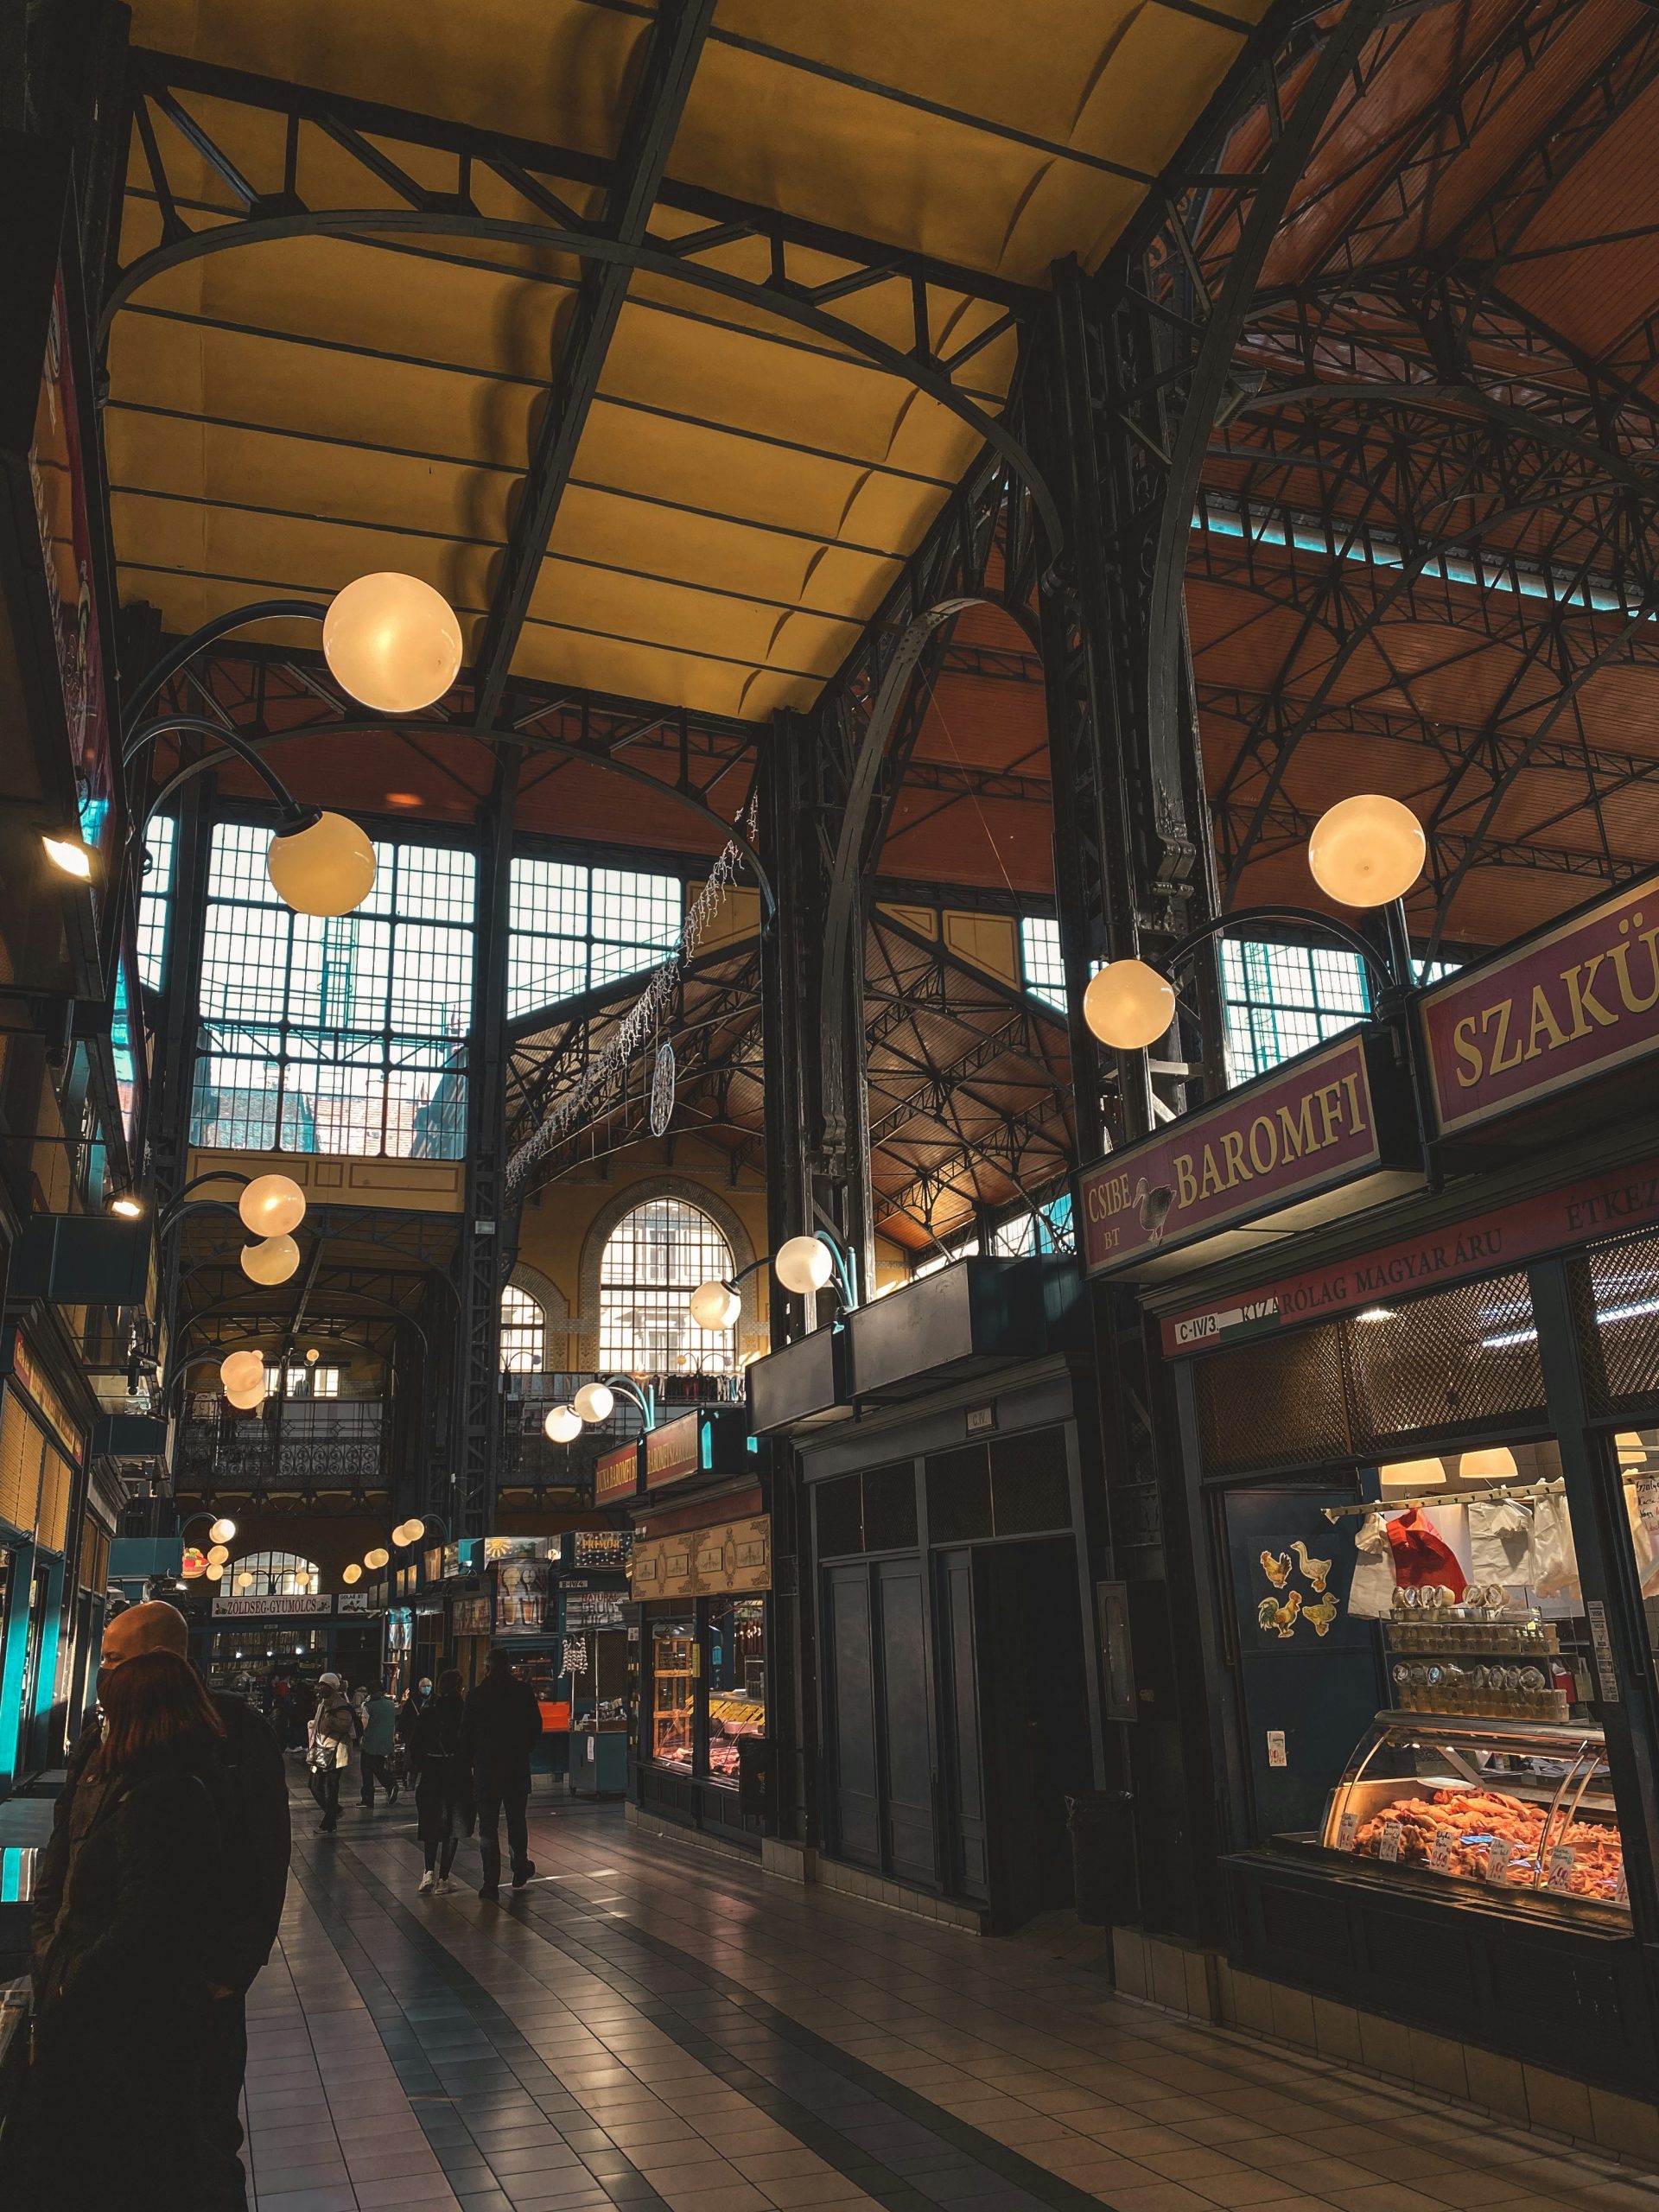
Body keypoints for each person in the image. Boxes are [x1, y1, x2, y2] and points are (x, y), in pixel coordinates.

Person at [27, 1599, 289, 2212]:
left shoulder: (229, 1733)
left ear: (157, 1661)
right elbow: (67, 1841)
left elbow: (264, 1854)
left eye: (114, 1659)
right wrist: (50, 1941)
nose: (103, 1673)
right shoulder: (101, 1736)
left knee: (203, 2140)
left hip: (188, 1986)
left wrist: (231, 1969)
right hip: (103, 1990)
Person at [461, 1647, 543, 1900]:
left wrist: (473, 1760)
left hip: (487, 1770)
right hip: (516, 1768)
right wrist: (523, 1750)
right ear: (508, 1666)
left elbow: (466, 1734)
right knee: (517, 1820)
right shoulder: (523, 1692)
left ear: (488, 1667)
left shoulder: (476, 1696)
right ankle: (519, 1867)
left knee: (488, 1828)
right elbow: (535, 1727)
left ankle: (490, 1883)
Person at [410, 1668, 471, 1893]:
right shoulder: (464, 1714)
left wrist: (426, 1765)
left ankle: (428, 1873)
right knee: (452, 1828)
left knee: (431, 1823)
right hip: (457, 1775)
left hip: (432, 1773)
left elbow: (415, 1748)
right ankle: (444, 1879)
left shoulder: (429, 1712)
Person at [310, 1670, 355, 1833]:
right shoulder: (323, 1702)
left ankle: (329, 1822)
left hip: (335, 1752)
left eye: (324, 1685)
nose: (321, 1688)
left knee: (331, 1787)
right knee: (315, 1785)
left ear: (332, 1687)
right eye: (320, 1685)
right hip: (322, 1749)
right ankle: (334, 1811)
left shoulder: (338, 1703)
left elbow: (344, 1725)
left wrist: (328, 1719)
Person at [358, 1680, 399, 1806]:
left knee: (367, 1769)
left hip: (370, 1743)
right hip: (386, 1743)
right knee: (378, 1766)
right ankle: (390, 1785)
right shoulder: (391, 1704)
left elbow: (363, 1726)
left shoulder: (368, 1706)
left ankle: (369, 1798)